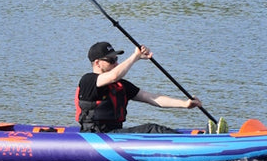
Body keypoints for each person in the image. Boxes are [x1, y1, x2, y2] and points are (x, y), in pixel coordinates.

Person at [76, 41, 204, 133]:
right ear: (97, 63)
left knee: (153, 129)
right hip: (95, 135)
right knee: (151, 129)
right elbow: (113, 76)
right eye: (111, 60)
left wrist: (185, 104)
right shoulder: (88, 81)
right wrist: (135, 57)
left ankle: (193, 139)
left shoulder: (121, 85)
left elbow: (153, 98)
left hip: (115, 134)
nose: (116, 63)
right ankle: (191, 145)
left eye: (116, 59)